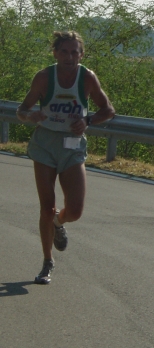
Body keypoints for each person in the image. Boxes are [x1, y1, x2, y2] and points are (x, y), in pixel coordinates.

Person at [16, 31, 115, 284]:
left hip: (72, 147)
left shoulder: (87, 78)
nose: (69, 57)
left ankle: (60, 223)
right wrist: (31, 116)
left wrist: (88, 120)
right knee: (46, 207)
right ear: (55, 53)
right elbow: (22, 110)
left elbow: (108, 110)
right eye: (64, 51)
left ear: (81, 54)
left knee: (76, 209)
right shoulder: (44, 77)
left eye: (74, 52)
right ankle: (47, 261)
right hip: (46, 144)